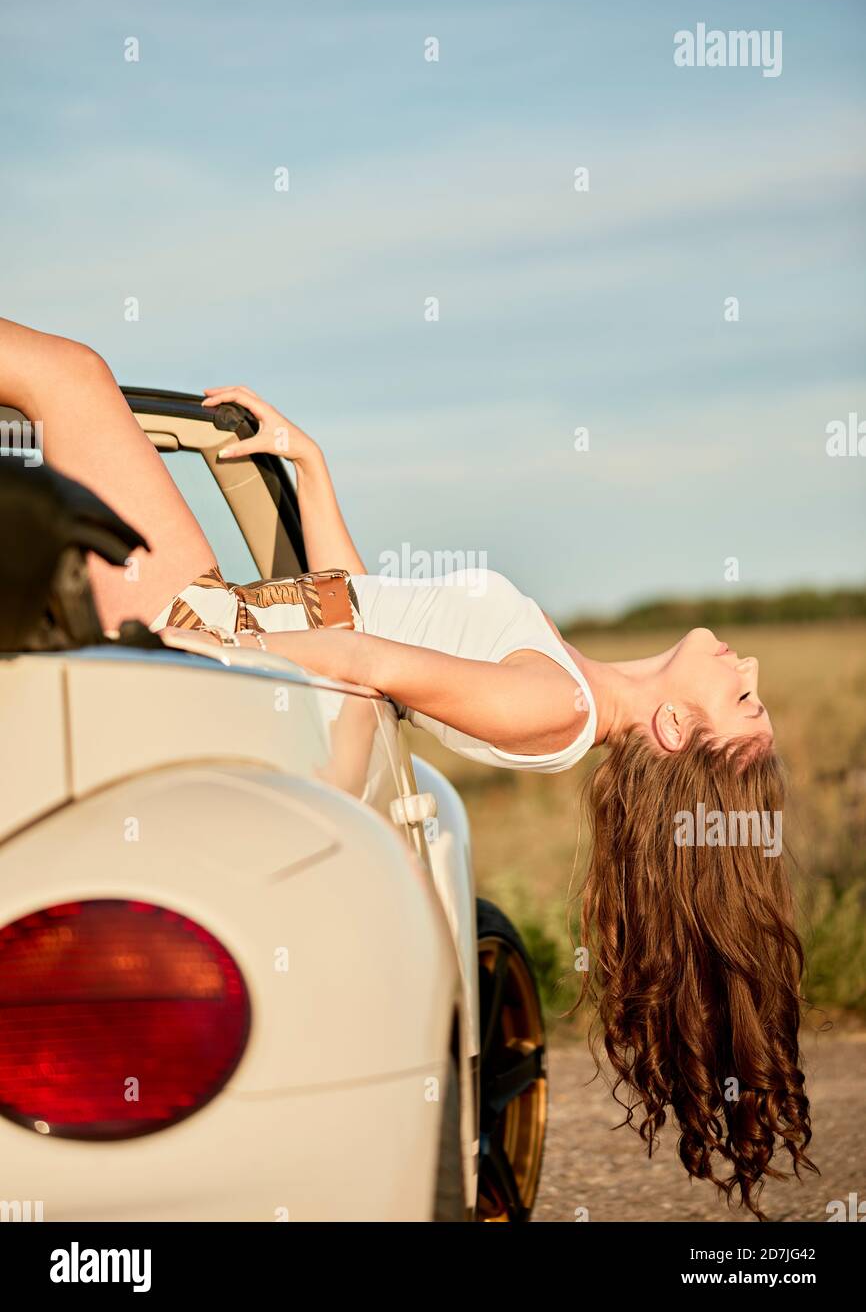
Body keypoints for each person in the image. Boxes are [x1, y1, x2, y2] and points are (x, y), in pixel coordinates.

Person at [0, 315, 815, 1216]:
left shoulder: (554, 706)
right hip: (223, 613)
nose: (747, 669)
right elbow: (373, 617)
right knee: (67, 385)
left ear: (672, 727)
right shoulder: (568, 688)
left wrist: (180, 642)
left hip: (207, 615)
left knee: (69, 376)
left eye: (742, 700)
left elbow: (366, 663)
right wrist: (312, 470)